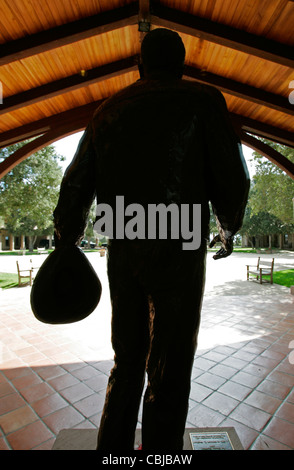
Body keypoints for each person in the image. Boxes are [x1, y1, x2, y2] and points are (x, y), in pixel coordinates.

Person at [53, 28, 250, 450]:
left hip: (125, 245)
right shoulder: (203, 100)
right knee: (171, 363)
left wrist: (66, 236)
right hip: (180, 243)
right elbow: (232, 173)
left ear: (141, 65)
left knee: (127, 359)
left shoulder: (108, 109)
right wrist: (227, 226)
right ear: (181, 65)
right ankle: (162, 454)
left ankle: (114, 453)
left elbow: (75, 182)